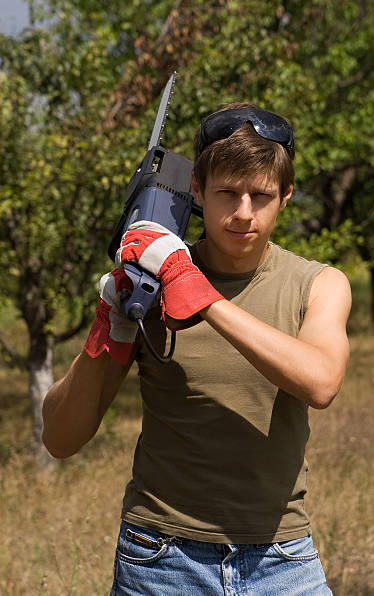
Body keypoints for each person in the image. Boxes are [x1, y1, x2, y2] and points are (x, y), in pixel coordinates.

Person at [42, 103, 351, 595]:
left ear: (286, 196)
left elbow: (320, 382)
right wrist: (110, 327)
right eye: (227, 193)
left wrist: (198, 295)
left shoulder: (318, 284)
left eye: (261, 195)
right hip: (160, 559)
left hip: (281, 558)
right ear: (196, 191)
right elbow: (60, 438)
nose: (243, 213)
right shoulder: (153, 282)